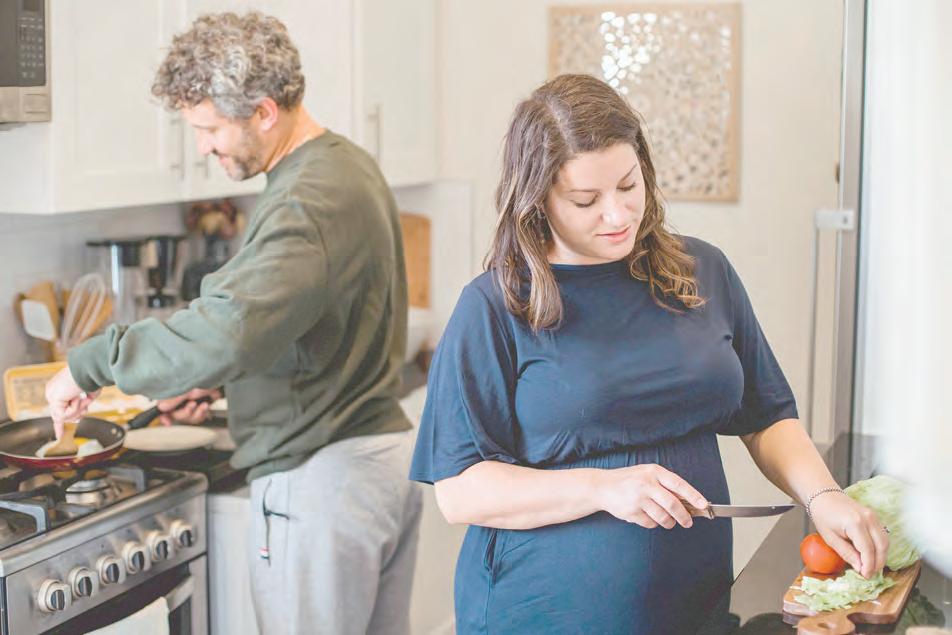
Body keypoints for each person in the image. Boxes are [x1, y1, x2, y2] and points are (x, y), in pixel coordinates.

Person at [409, 74, 889, 634]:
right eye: (586, 200)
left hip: (695, 602)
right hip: (543, 613)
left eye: (628, 185)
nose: (618, 215)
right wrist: (603, 487)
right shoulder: (494, 307)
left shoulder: (702, 271)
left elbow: (766, 417)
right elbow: (461, 491)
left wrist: (823, 496)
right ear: (537, 201)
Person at [44, 12, 421, 635]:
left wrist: (87, 363)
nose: (203, 147)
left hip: (322, 482)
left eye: (210, 128)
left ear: (264, 112)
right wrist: (220, 384)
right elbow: (304, 322)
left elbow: (225, 330)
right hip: (371, 464)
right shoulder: (344, 166)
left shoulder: (306, 200)